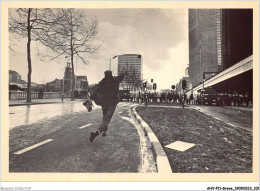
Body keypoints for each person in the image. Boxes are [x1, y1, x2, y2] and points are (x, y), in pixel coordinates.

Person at [89, 70, 124, 142]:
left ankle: (104, 131)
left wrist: (91, 97)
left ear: (105, 75)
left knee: (105, 117)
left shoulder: (102, 82)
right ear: (111, 74)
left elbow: (95, 91)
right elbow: (122, 76)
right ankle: (97, 132)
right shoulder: (115, 79)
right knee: (107, 119)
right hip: (112, 103)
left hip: (104, 103)